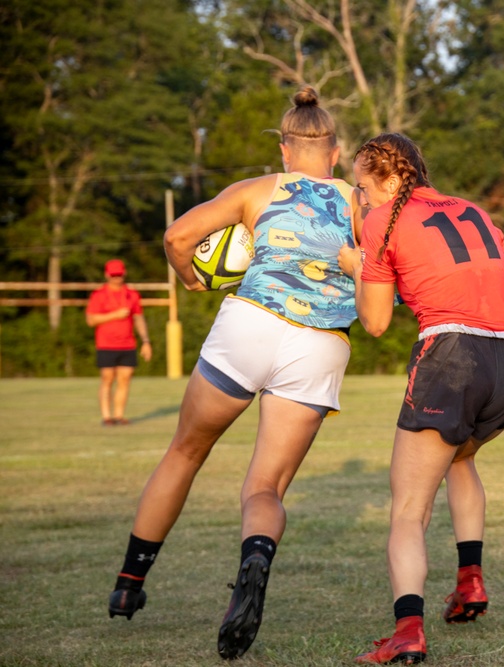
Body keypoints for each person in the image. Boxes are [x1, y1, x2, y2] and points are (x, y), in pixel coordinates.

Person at [107, 86, 363, 661]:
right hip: (320, 344)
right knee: (265, 488)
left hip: (249, 325)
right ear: (337, 151)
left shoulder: (257, 190)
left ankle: (129, 585)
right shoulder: (359, 203)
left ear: (284, 149)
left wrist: (190, 277)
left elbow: (177, 237)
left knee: (185, 453)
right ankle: (254, 558)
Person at [337, 132, 504, 665]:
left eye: (363, 187)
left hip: (455, 356)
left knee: (408, 508)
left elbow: (377, 322)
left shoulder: (382, 219)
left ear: (390, 178)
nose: (360, 198)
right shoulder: (472, 209)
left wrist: (355, 268)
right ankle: (470, 582)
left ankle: (407, 630)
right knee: (460, 458)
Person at [86, 258, 153, 426]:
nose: (116, 278)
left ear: (124, 274)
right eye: (113, 275)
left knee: (125, 379)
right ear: (107, 275)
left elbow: (138, 318)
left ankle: (119, 415)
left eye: (119, 275)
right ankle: (106, 416)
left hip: (128, 344)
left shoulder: (132, 294)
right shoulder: (99, 295)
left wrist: (146, 341)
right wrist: (115, 315)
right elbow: (91, 320)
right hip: (106, 344)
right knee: (107, 379)